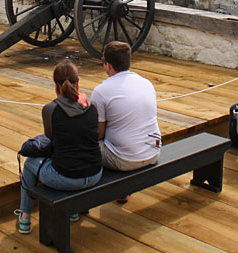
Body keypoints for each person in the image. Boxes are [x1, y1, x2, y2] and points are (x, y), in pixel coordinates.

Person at [15, 60, 103, 234]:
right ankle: (74, 212)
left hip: (67, 177)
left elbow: (51, 142)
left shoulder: (50, 110)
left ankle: (25, 216)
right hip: (94, 173)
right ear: (78, 82)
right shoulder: (92, 107)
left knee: (30, 163)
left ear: (55, 84)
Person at [90, 41, 161, 202]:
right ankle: (123, 191)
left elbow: (99, 134)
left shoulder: (101, 91)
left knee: (84, 145)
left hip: (123, 159)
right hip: (153, 152)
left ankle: (81, 197)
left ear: (108, 65)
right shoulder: (146, 83)